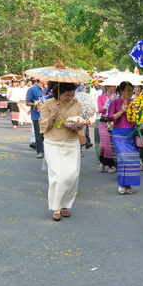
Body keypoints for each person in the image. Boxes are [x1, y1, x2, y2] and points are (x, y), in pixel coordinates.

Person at [38, 82, 86, 221]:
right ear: (58, 93)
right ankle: (56, 207)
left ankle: (65, 205)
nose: (69, 98)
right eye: (66, 95)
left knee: (72, 175)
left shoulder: (76, 103)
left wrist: (80, 130)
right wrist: (53, 114)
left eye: (72, 94)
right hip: (53, 142)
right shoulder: (48, 103)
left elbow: (80, 120)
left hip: (71, 142)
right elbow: (42, 125)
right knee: (58, 175)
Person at [108, 82, 141, 195]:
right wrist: (121, 111)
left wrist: (140, 122)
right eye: (127, 90)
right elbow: (110, 117)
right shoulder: (114, 102)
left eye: (131, 90)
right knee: (123, 157)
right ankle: (122, 184)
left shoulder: (134, 103)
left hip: (132, 133)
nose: (130, 93)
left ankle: (129, 184)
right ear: (121, 91)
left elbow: (138, 118)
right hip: (119, 134)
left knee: (132, 159)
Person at [96, 85, 117, 173]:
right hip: (103, 121)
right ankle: (104, 162)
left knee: (110, 143)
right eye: (111, 86)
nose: (113, 88)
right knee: (104, 143)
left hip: (112, 121)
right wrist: (106, 104)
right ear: (107, 87)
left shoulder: (117, 97)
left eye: (114, 87)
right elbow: (100, 109)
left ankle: (108, 164)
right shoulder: (101, 97)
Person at [26, 78, 48, 158]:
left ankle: (47, 150)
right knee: (38, 133)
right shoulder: (32, 89)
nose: (47, 80)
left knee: (46, 133)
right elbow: (27, 102)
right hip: (37, 115)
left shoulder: (47, 90)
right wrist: (37, 104)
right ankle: (40, 151)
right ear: (40, 79)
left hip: (46, 115)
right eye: (45, 78)